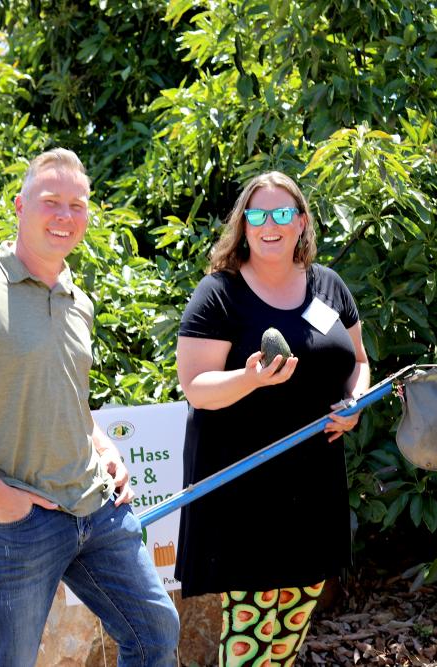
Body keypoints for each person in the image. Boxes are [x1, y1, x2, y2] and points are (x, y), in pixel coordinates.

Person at [0, 148, 180, 666]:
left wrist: (105, 446)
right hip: (15, 524)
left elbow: (68, 396)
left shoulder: (78, 299)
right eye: (50, 201)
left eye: (77, 204)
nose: (64, 215)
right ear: (19, 206)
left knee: (155, 632)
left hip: (96, 508)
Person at [175, 171, 370, 667]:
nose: (270, 225)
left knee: (297, 607)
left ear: (301, 221)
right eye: (257, 215)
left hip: (313, 481)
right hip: (246, 487)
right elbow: (196, 388)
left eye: (282, 214)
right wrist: (250, 379)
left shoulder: (329, 286)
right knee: (252, 621)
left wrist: (355, 402)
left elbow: (360, 361)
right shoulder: (219, 294)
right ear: (242, 225)